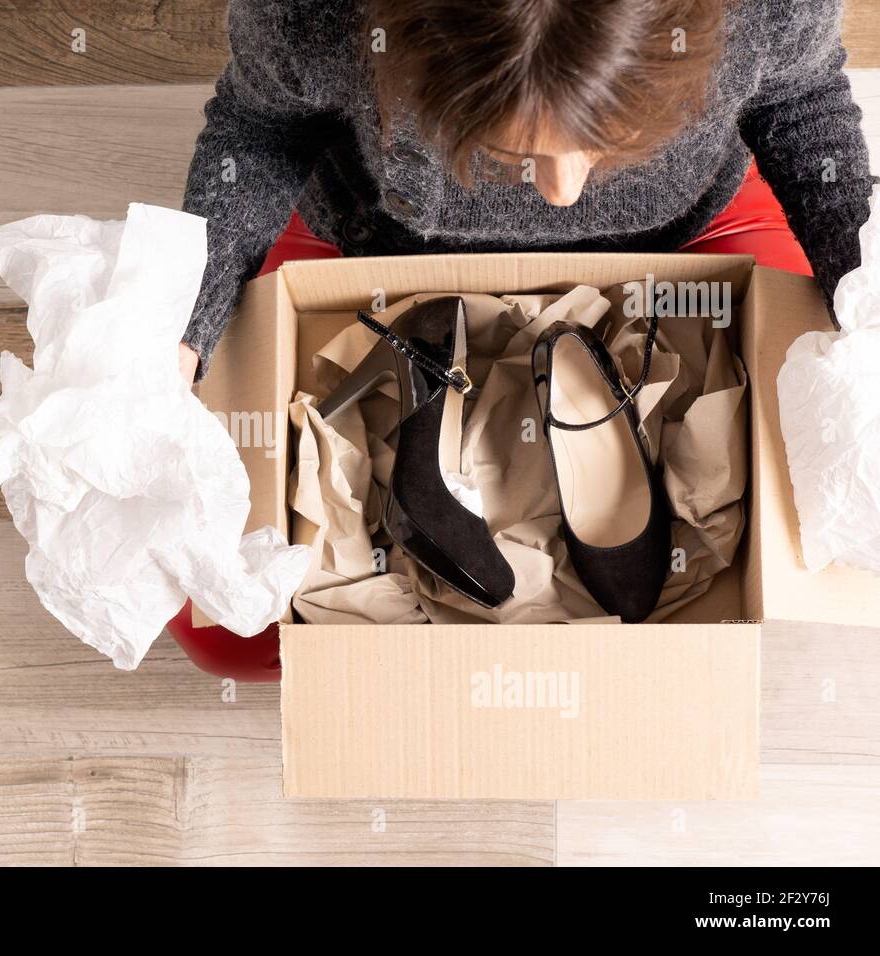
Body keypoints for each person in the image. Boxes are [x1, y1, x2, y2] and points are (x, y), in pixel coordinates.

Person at [166, 0, 875, 678]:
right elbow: (260, 128)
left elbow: (801, 100)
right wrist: (185, 331)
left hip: (689, 236)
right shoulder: (314, 15)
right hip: (374, 243)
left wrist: (861, 285)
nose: (562, 191)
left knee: (819, 503)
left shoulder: (766, 10)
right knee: (224, 628)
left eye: (606, 140)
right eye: (511, 151)